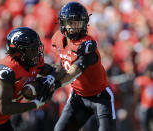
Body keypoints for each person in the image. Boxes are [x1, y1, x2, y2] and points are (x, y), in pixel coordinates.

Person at [41, 2, 116, 131]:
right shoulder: (58, 39)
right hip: (78, 96)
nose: (74, 27)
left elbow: (75, 71)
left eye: (78, 23)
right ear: (63, 23)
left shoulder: (87, 44)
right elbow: (62, 66)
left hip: (100, 97)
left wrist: (54, 84)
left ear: (84, 23)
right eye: (71, 22)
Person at [0, 27, 56, 131]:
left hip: (3, 122)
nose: (36, 52)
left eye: (36, 48)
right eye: (32, 49)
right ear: (18, 52)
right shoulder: (8, 70)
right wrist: (36, 104)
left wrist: (51, 79)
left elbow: (54, 70)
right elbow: (5, 108)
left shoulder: (34, 62)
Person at [132, 61, 153, 131]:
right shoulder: (143, 80)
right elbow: (136, 90)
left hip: (150, 106)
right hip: (145, 106)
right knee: (144, 126)